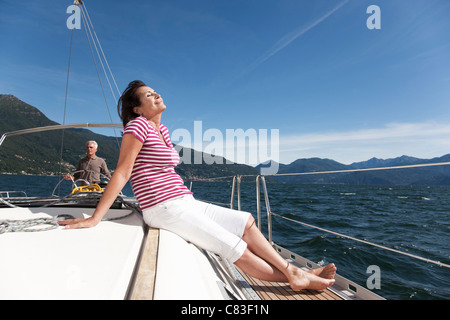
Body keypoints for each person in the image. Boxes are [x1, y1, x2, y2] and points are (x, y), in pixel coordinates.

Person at [58, 80, 336, 291]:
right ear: (137, 108)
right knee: (234, 246)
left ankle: (294, 272)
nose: (155, 95)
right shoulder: (138, 126)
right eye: (147, 95)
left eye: (155, 92)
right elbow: (122, 171)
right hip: (162, 207)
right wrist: (96, 218)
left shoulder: (162, 131)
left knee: (247, 221)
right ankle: (297, 278)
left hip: (183, 200)